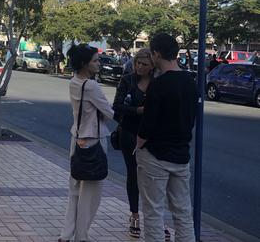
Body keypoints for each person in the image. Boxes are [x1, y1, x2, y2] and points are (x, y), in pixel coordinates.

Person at [136, 33, 198, 242]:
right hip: (181, 155)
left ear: (157, 53)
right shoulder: (190, 81)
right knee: (183, 213)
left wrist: (139, 146)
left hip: (155, 155)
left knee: (154, 213)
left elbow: (148, 125)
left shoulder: (159, 85)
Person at [59, 44, 114, 242]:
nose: (98, 63)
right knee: (91, 194)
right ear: (84, 64)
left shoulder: (74, 82)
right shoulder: (91, 85)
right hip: (93, 141)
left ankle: (66, 234)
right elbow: (109, 112)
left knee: (74, 189)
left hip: (77, 138)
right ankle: (81, 236)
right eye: (95, 60)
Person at [112, 48, 154, 238]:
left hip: (151, 135)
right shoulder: (127, 80)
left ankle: (155, 219)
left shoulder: (157, 83)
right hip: (129, 132)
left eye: (144, 64)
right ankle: (135, 215)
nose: (140, 67)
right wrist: (137, 110)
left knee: (152, 177)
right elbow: (117, 106)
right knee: (133, 174)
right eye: (138, 63)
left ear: (152, 65)